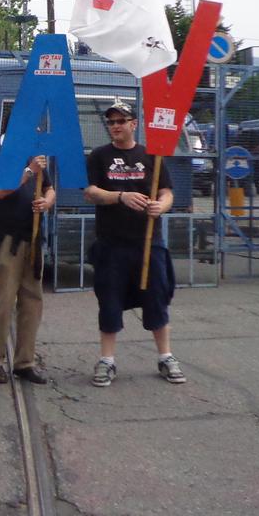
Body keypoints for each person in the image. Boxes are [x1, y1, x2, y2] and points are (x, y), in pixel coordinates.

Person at [82, 102, 185, 387]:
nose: (115, 126)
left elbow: (167, 193)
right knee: (110, 303)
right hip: (111, 244)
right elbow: (89, 193)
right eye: (111, 122)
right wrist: (120, 197)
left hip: (149, 243)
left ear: (133, 124)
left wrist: (160, 207)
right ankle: (107, 361)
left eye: (120, 120)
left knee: (157, 300)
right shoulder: (99, 156)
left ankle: (166, 357)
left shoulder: (152, 155)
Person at [0, 147, 56, 385]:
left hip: (31, 238)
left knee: (32, 300)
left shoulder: (35, 154)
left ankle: (25, 362)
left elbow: (49, 188)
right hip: (6, 238)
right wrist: (28, 171)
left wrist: (47, 202)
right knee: (3, 300)